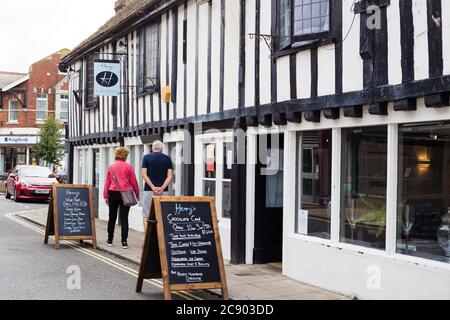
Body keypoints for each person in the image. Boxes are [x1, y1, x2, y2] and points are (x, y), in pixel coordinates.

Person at [104, 147, 140, 249]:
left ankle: (110, 240)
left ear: (116, 154)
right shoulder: (129, 167)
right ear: (125, 156)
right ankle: (124, 242)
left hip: (113, 193)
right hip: (126, 194)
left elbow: (107, 183)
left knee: (112, 217)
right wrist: (137, 194)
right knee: (124, 218)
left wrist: (105, 196)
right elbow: (134, 182)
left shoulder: (111, 167)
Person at [141, 140, 173, 231]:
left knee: (146, 214)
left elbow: (143, 174)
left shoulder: (146, 157)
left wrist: (152, 187)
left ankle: (146, 240)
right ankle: (161, 239)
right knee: (163, 214)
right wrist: (162, 187)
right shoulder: (167, 159)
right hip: (164, 191)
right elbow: (170, 175)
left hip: (149, 190)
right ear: (161, 148)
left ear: (152, 148)